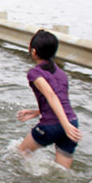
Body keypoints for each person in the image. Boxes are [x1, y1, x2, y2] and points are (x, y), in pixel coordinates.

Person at [16, 30, 82, 169]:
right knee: (62, 172)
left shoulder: (35, 73)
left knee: (20, 152)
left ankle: (29, 180)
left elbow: (51, 96)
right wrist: (37, 112)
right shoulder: (61, 73)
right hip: (72, 122)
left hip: (53, 125)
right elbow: (62, 100)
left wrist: (63, 125)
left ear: (33, 51)